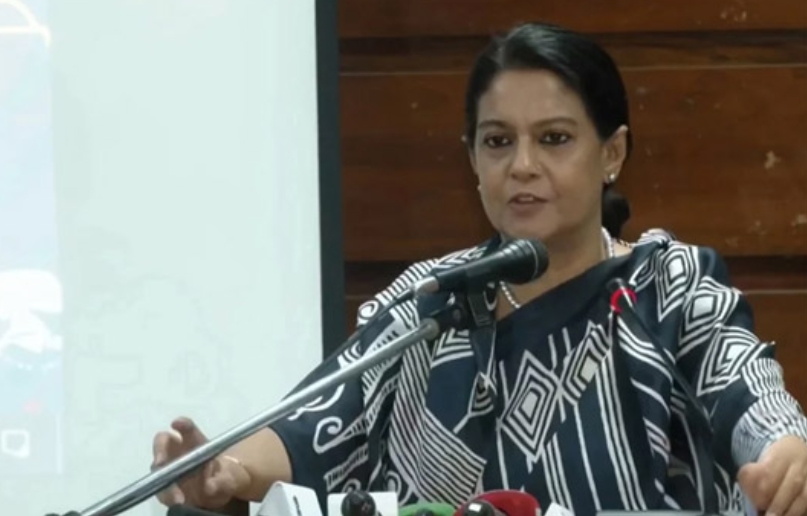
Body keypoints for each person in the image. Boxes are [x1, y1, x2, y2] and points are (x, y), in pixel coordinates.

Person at [151, 22, 807, 515]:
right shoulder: (428, 300)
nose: (521, 165)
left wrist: (786, 453)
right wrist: (227, 471)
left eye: (553, 139)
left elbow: (747, 391)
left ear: (611, 154)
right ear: (471, 158)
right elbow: (312, 428)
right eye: (497, 141)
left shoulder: (667, 286)